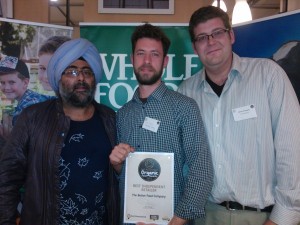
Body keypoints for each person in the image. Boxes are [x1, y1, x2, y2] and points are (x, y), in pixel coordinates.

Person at [177, 6, 300, 225]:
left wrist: (282, 218)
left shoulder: (268, 75)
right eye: (202, 37)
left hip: (262, 217)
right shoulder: (186, 91)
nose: (211, 42)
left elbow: (291, 150)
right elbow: (180, 159)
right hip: (205, 215)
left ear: (231, 35)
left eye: (217, 33)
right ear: (195, 47)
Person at [0, 38, 119, 225]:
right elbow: (7, 178)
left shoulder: (110, 119)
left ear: (94, 78)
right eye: (71, 71)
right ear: (58, 77)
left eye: (86, 72)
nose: (80, 78)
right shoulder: (33, 118)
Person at [109, 23, 213, 225]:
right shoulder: (122, 115)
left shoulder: (185, 108)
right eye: (140, 53)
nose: (146, 61)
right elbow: (126, 176)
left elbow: (201, 171)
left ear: (165, 61)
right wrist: (117, 165)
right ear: (132, 59)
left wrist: (176, 221)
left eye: (154, 54)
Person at [0, 56, 50, 133]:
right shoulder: (33, 97)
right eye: (2, 83)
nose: (6, 87)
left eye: (11, 82)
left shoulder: (28, 108)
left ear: (25, 83)